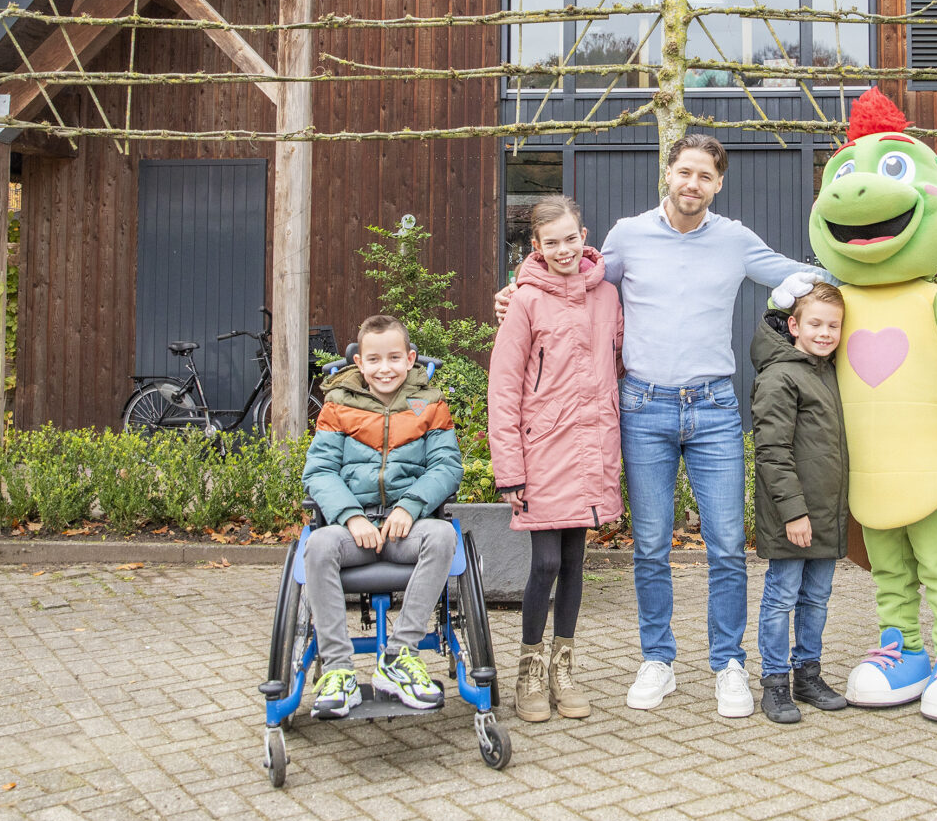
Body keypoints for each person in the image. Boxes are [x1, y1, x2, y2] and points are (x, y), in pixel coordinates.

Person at [495, 134, 816, 719]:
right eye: (684, 171)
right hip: (644, 407)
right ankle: (657, 660)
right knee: (649, 547)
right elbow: (577, 279)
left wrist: (875, 272)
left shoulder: (735, 240)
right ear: (667, 172)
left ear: (718, 184)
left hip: (714, 408)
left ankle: (728, 664)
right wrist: (519, 290)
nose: (693, 184)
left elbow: (799, 274)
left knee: (726, 546)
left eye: (705, 176)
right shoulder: (628, 235)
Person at [487, 196, 624, 723]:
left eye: (570, 239)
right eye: (552, 242)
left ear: (583, 236)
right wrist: (509, 468)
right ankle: (529, 669)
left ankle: (563, 668)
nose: (563, 250)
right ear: (536, 246)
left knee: (573, 563)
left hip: (591, 445)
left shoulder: (607, 294)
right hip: (541, 448)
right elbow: (504, 387)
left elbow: (618, 360)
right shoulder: (524, 300)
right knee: (544, 563)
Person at [301, 314, 465, 717]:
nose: (384, 368)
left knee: (443, 536)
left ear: (410, 359)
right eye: (374, 360)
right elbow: (319, 472)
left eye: (394, 358)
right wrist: (351, 516)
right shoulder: (338, 405)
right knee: (318, 544)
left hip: (405, 530)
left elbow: (447, 466)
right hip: (352, 532)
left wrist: (410, 506)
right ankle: (338, 670)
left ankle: (399, 656)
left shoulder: (430, 404)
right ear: (359, 363)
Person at [748, 283, 851, 724]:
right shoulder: (780, 376)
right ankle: (775, 681)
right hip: (793, 514)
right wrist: (794, 512)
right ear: (793, 325)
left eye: (834, 326)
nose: (825, 333)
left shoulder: (828, 371)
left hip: (826, 510)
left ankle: (808, 673)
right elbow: (772, 451)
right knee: (782, 597)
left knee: (817, 598)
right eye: (816, 324)